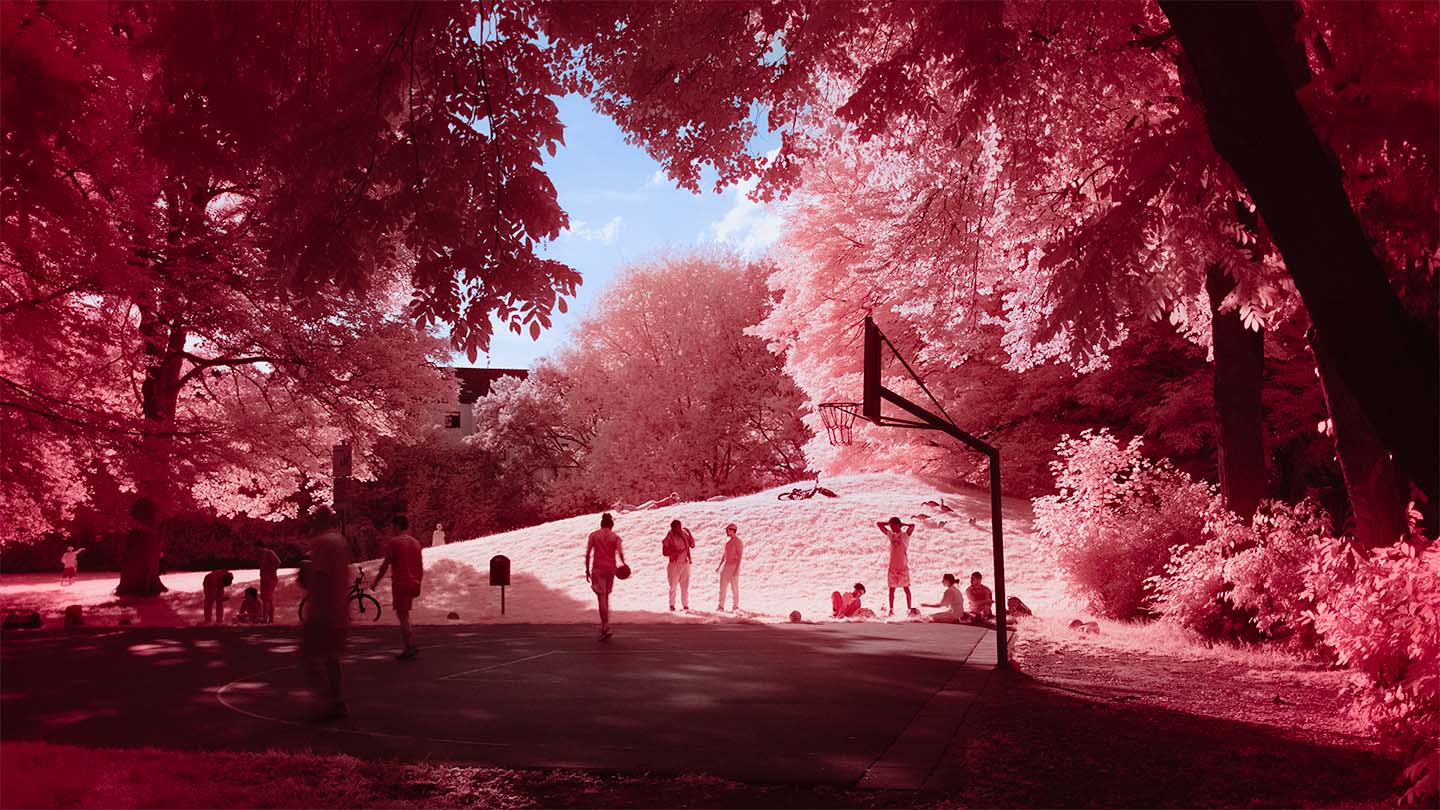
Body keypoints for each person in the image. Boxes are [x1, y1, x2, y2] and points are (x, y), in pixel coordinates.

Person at [301, 510, 350, 719]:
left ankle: (325, 700)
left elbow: (320, 576)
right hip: (340, 608)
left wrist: (316, 608)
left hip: (323, 609)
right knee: (332, 657)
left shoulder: (321, 544)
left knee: (308, 656)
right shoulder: (340, 541)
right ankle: (337, 699)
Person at [372, 514, 423, 660]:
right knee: (405, 615)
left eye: (392, 526)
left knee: (403, 616)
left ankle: (409, 647)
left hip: (401, 583)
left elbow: (385, 564)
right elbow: (420, 566)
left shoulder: (395, 543)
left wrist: (376, 581)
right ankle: (412, 643)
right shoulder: (415, 543)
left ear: (396, 526)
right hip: (413, 582)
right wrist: (419, 582)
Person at [585, 512, 626, 641]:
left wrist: (587, 570)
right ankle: (605, 626)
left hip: (598, 568)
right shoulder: (615, 537)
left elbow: (588, 554)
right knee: (606, 597)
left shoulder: (594, 535)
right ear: (611, 525)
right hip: (610, 569)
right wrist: (624, 565)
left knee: (601, 598)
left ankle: (605, 626)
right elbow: (620, 553)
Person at [876, 517, 915, 615]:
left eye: (893, 525)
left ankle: (909, 609)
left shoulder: (905, 535)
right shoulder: (891, 535)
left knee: (906, 588)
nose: (891, 527)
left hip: (902, 567)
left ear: (898, 525)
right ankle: (891, 609)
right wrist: (889, 523)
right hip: (892, 566)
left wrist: (903, 524)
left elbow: (912, 526)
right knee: (892, 590)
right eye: (891, 526)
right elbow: (879, 524)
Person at [662, 519, 695, 612]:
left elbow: (692, 545)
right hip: (674, 564)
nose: (680, 529)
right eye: (678, 527)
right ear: (673, 528)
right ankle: (672, 605)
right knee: (673, 586)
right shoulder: (669, 536)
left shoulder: (685, 533)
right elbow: (664, 552)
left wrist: (690, 534)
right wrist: (674, 552)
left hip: (685, 562)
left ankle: (685, 605)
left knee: (685, 586)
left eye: (680, 527)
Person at [715, 523, 743, 612]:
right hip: (726, 567)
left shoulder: (738, 542)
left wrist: (737, 569)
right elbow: (725, 555)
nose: (726, 531)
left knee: (734, 588)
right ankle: (721, 606)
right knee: (722, 587)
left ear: (732, 530)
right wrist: (719, 566)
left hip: (734, 566)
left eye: (728, 530)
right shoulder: (728, 541)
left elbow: (740, 556)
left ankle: (735, 606)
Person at [257, 542, 281, 624]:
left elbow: (278, 562)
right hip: (264, 578)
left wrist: (271, 570)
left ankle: (266, 618)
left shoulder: (269, 552)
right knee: (267, 598)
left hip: (270, 579)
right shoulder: (260, 555)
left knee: (267, 598)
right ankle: (270, 619)